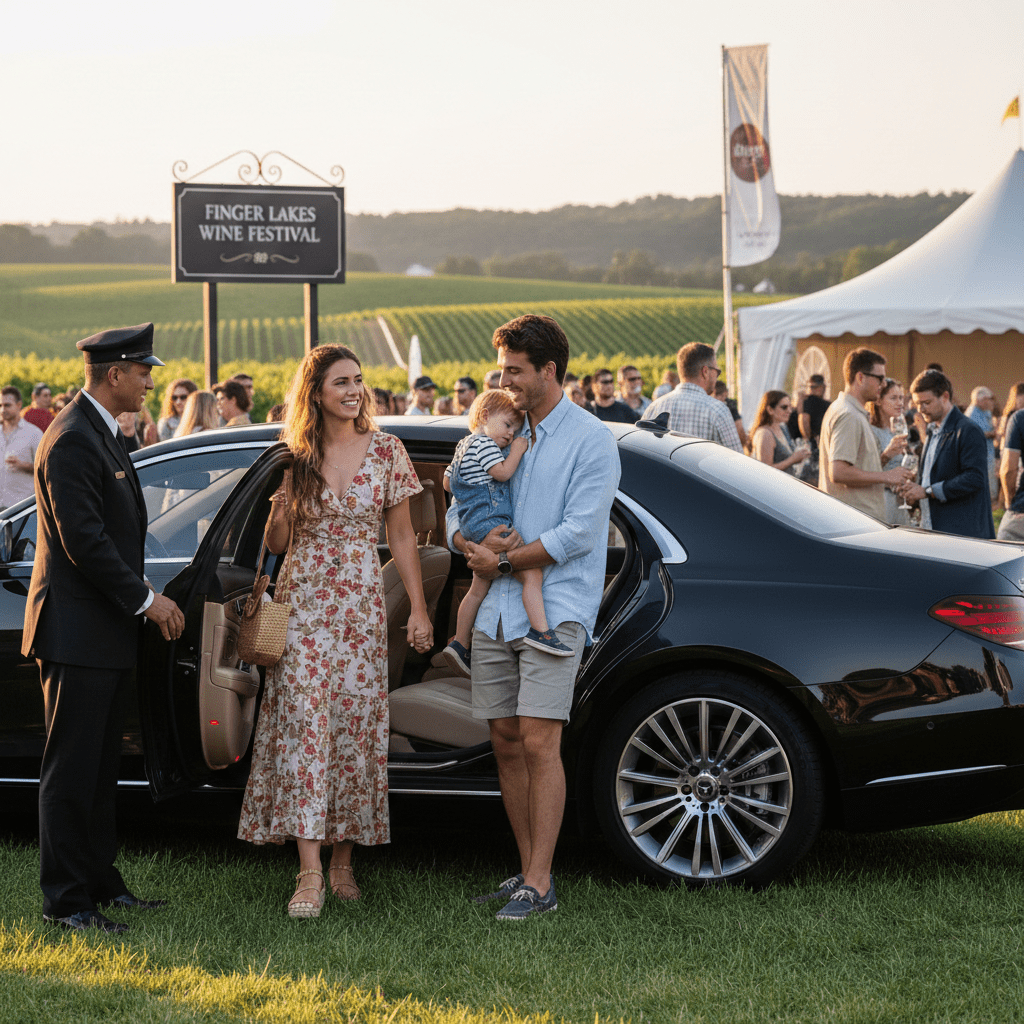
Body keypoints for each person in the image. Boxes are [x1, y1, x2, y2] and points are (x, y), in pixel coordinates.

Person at [237, 344, 433, 917]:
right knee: (304, 726)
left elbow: (402, 537)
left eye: (358, 380)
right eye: (341, 382)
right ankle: (309, 871)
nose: (353, 390)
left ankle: (344, 859)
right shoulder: (295, 455)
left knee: (352, 729)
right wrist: (280, 509)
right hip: (302, 607)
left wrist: (419, 609)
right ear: (316, 393)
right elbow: (276, 544)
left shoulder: (388, 450)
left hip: (360, 610)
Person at [446, 314, 619, 921]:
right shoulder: (494, 429)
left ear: (549, 371)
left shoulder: (591, 440)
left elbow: (579, 532)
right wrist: (467, 545)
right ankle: (526, 872)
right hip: (495, 612)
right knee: (505, 740)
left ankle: (541, 884)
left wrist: (505, 560)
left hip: (556, 607)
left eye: (515, 371)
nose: (504, 382)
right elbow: (459, 501)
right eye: (502, 370)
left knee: (542, 740)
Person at [22, 323, 185, 934]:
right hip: (76, 633)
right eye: (143, 372)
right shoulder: (71, 438)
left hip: (100, 632)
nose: (150, 383)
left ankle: (99, 883)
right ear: (114, 374)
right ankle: (66, 902)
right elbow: (84, 541)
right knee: (72, 771)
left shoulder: (99, 431)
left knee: (97, 770)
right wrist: (147, 602)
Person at [441, 389, 573, 678]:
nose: (511, 434)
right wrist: (517, 451)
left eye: (515, 430)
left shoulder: (463, 445)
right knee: (532, 574)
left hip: (473, 526)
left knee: (477, 589)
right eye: (508, 425)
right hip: (493, 524)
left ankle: (460, 643)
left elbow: (448, 484)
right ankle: (541, 631)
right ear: (485, 416)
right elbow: (502, 473)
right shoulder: (484, 444)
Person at [818, 348, 912, 518]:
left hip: (856, 518)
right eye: (880, 378)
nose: (884, 384)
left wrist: (885, 459)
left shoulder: (848, 410)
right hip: (854, 519)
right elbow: (838, 472)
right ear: (860, 377)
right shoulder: (849, 415)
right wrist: (886, 476)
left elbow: (858, 466)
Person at [900, 369, 994, 539]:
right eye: (917, 404)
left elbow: (974, 478)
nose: (921, 409)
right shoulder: (932, 430)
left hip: (961, 534)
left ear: (945, 396)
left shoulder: (968, 430)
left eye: (926, 402)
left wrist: (927, 491)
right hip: (932, 529)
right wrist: (915, 491)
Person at [641, 343, 742, 451]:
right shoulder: (718, 410)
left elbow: (640, 451)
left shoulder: (653, 408)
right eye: (717, 372)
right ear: (705, 372)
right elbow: (736, 457)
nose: (717, 376)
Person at [866, 378, 911, 525]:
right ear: (879, 401)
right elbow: (865, 471)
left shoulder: (895, 431)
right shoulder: (870, 431)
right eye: (894, 398)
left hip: (898, 500)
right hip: (881, 501)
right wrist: (887, 455)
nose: (900, 403)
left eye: (901, 398)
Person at [0, 386, 43, 507]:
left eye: (7, 405)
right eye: (0, 405)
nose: (2, 410)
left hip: (21, 508)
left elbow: (45, 469)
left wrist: (23, 465)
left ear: (19, 405)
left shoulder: (34, 433)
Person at [747, 391, 808, 475]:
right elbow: (764, 471)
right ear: (770, 410)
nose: (789, 411)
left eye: (790, 407)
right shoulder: (765, 434)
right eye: (784, 407)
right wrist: (792, 460)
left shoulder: (782, 428)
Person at [965, 386, 999, 505]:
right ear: (981, 400)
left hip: (987, 454)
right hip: (979, 458)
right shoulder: (972, 414)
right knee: (983, 489)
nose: (991, 402)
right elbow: (972, 434)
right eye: (989, 399)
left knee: (990, 488)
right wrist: (991, 434)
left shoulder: (985, 412)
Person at [997, 405, 1024, 541]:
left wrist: (1009, 502)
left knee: (1004, 548)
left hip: (1021, 513)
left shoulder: (1020, 418)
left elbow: (1008, 470)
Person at [713, 380, 748, 449]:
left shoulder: (729, 405)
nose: (724, 399)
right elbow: (740, 429)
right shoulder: (729, 406)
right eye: (723, 396)